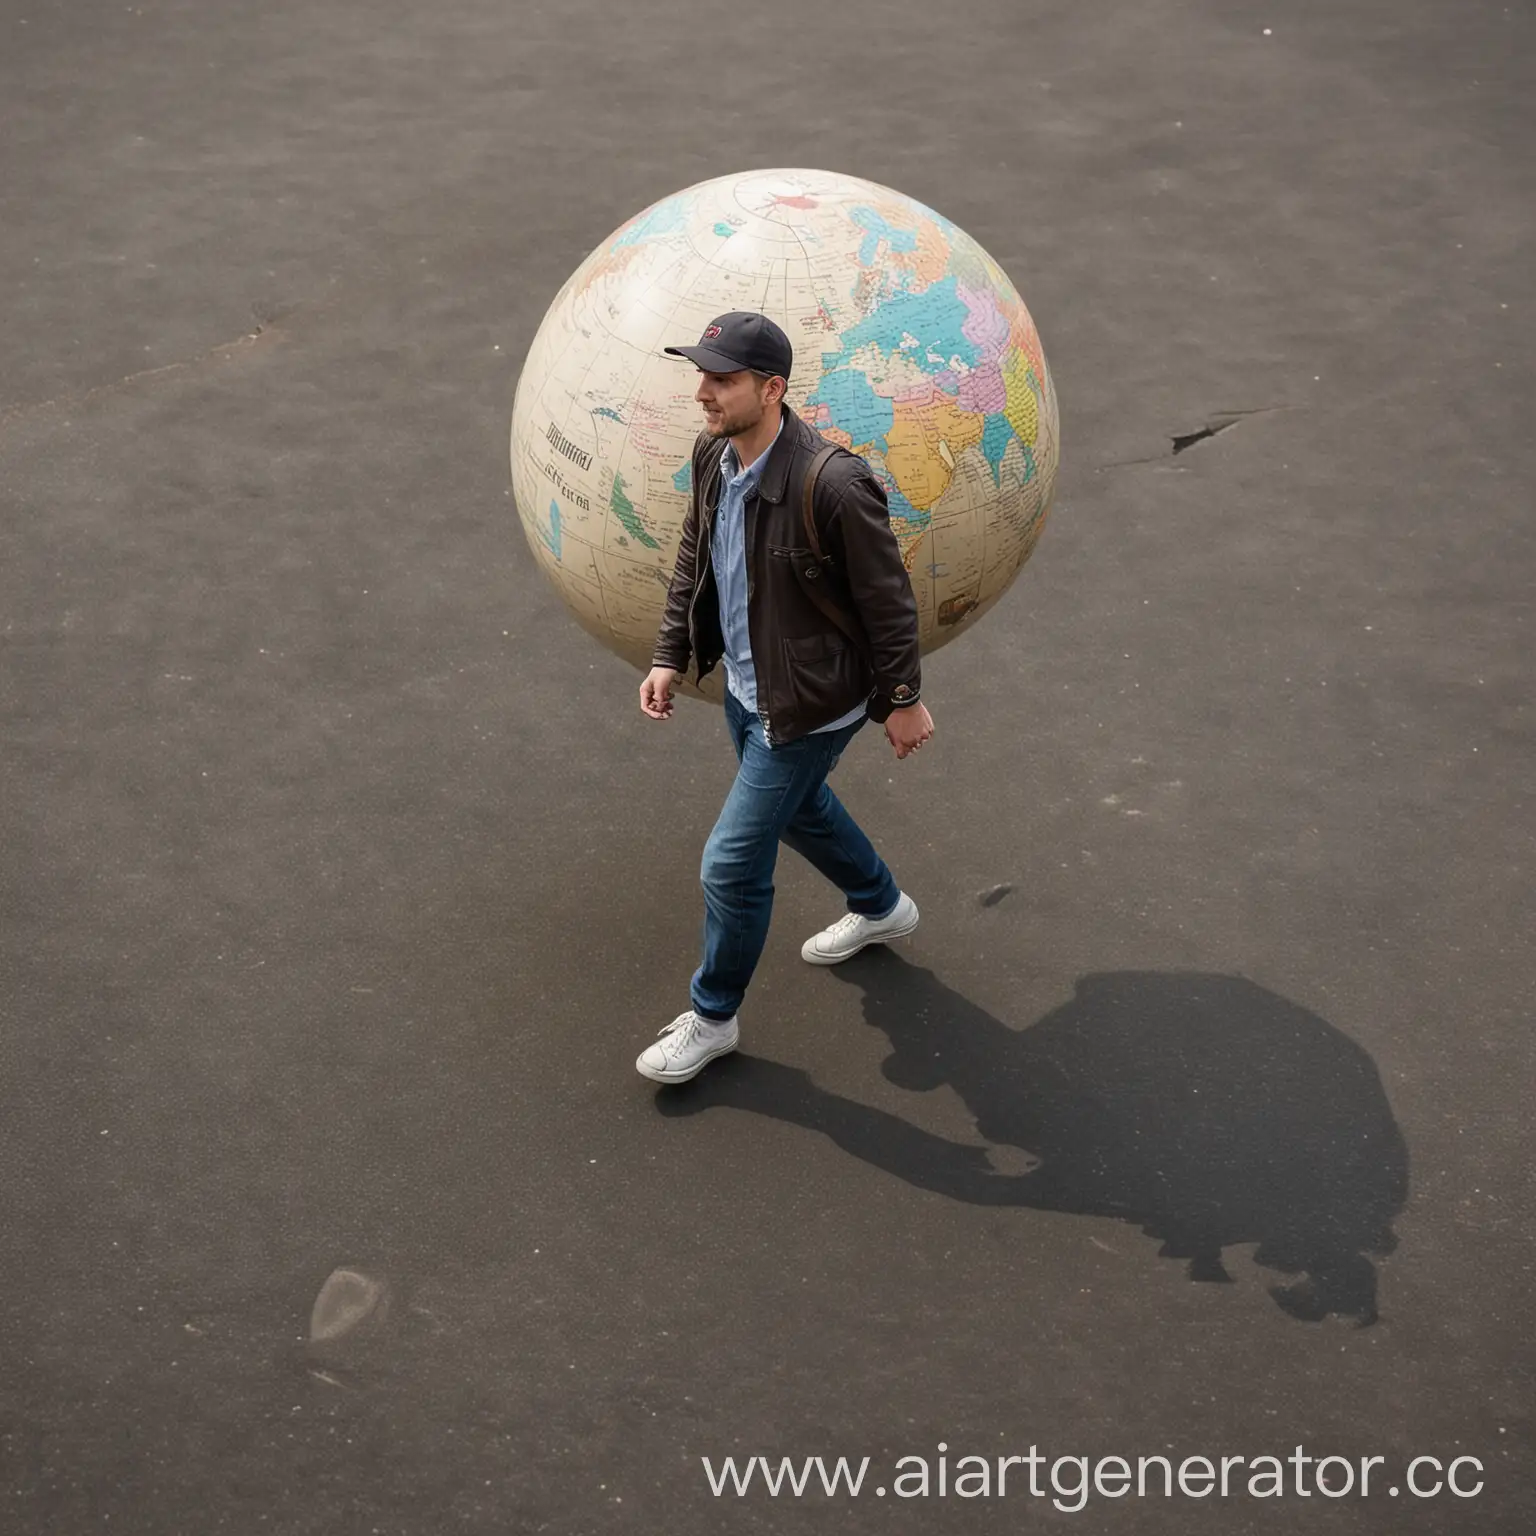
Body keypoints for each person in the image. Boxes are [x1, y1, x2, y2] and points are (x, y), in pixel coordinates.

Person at [634, 310, 935, 1084]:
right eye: (701, 374)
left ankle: (712, 1017)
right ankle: (879, 904)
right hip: (746, 687)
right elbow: (692, 560)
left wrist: (902, 697)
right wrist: (670, 655)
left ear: (772, 390)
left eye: (722, 378)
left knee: (731, 866)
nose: (703, 391)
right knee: (799, 810)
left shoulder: (831, 482)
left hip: (807, 707)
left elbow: (888, 601)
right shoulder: (715, 456)